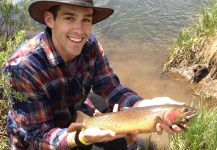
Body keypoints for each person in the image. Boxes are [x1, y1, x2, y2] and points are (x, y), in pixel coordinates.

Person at [2, 0, 187, 149]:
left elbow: (111, 88)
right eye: (69, 18)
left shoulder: (89, 44)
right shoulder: (22, 69)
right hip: (37, 139)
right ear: (50, 19)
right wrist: (80, 138)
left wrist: (144, 106)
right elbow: (38, 136)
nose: (80, 30)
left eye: (86, 20)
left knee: (118, 137)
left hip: (73, 109)